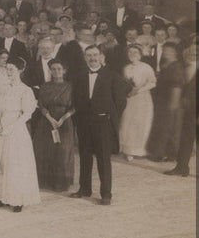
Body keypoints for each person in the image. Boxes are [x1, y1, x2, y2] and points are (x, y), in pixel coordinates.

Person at [71, 46, 130, 205]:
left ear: (101, 56)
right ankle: (84, 188)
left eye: (95, 55)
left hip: (103, 122)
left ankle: (106, 194)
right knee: (85, 156)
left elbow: (121, 101)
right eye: (89, 55)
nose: (92, 58)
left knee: (103, 158)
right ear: (85, 58)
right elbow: (75, 99)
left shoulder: (112, 76)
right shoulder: (79, 76)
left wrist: (111, 118)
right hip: (84, 122)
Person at [0, 58, 40, 212]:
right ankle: (1, 196)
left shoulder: (26, 90)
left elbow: (27, 113)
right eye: (7, 69)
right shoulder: (3, 89)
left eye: (11, 69)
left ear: (20, 70)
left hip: (16, 129)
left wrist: (11, 127)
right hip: (1, 129)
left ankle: (16, 199)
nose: (8, 72)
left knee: (14, 163)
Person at [32, 59, 76, 192]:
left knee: (63, 151)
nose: (56, 71)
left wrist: (63, 118)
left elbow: (75, 106)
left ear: (64, 71)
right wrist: (49, 118)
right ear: (50, 71)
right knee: (45, 150)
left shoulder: (71, 86)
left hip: (65, 121)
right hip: (46, 121)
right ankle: (45, 181)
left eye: (59, 69)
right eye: (53, 69)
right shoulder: (45, 86)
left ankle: (61, 182)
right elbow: (41, 105)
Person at [118, 44, 156, 161]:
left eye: (135, 53)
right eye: (130, 53)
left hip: (142, 99)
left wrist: (138, 90)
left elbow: (153, 83)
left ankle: (138, 150)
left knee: (140, 123)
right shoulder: (126, 68)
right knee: (127, 122)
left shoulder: (146, 67)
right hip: (130, 99)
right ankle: (127, 150)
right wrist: (128, 91)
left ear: (140, 54)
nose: (132, 55)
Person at [164, 40, 196, 176]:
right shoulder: (182, 67)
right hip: (188, 110)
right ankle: (181, 167)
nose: (192, 54)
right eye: (190, 51)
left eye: (196, 52)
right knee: (185, 138)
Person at [148, 42, 183, 162]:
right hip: (161, 100)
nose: (166, 52)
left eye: (169, 51)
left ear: (175, 52)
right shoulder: (165, 64)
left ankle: (165, 154)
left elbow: (177, 86)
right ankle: (161, 152)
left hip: (170, 101)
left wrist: (173, 104)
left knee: (168, 128)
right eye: (165, 50)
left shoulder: (176, 66)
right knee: (162, 127)